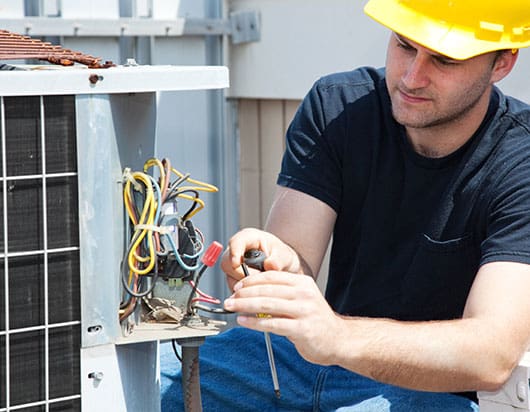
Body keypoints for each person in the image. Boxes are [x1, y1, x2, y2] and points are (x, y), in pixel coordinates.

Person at [161, 0, 530, 410]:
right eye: (405, 45)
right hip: (303, 362)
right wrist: (275, 263)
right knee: (143, 380)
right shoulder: (337, 107)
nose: (411, 77)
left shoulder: (521, 160)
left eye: (443, 60)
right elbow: (295, 260)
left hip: (427, 392)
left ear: (502, 63)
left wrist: (336, 336)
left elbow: (492, 354)